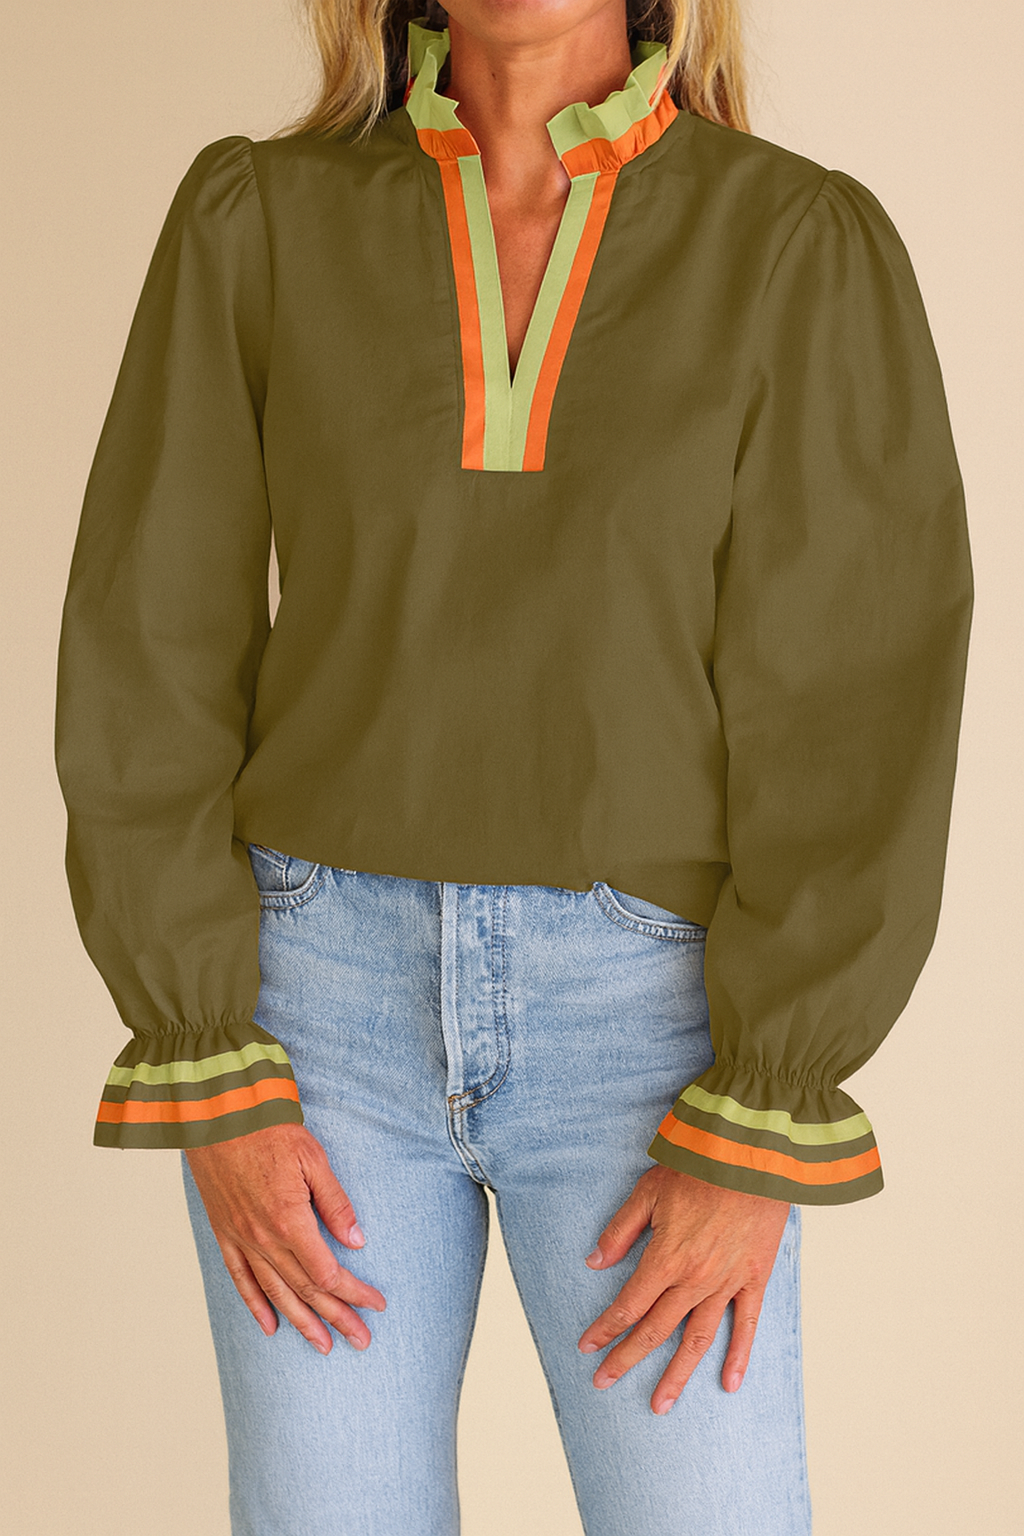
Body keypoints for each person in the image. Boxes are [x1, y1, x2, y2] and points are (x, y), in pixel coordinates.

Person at [53, 0, 974, 1531]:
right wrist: (210, 1053)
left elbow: (855, 691)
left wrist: (767, 1099)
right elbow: (150, 633)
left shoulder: (795, 244)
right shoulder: (260, 218)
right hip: (314, 1016)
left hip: (654, 1032)